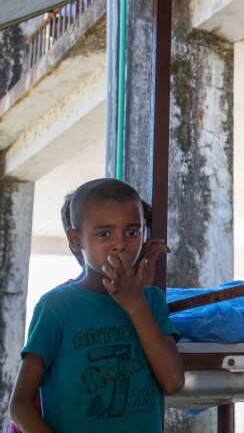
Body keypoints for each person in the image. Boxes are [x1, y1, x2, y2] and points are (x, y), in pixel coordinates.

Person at [9, 178, 183, 432]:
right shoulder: (56, 307)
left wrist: (135, 303)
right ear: (76, 241)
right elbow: (20, 405)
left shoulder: (151, 301)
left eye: (132, 232)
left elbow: (173, 382)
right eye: (104, 233)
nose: (120, 243)